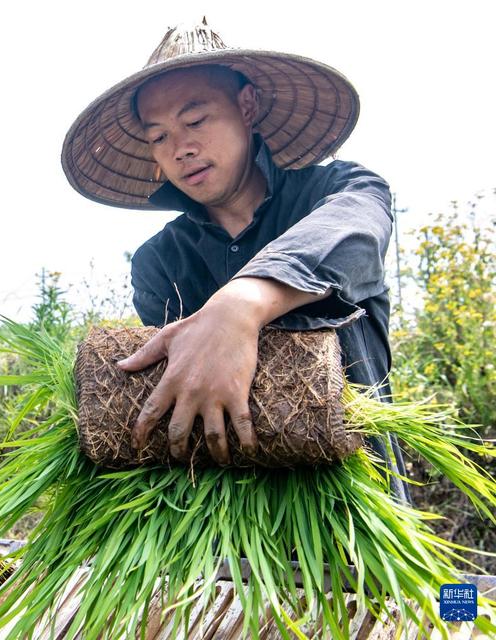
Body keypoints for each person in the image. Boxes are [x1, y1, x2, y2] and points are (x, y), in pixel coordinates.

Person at [62, 19, 410, 501]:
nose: (181, 148)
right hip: (226, 520)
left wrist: (240, 304)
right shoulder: (160, 262)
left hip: (364, 504)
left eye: (196, 121)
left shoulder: (339, 192)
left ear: (246, 106)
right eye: (159, 137)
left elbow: (358, 230)